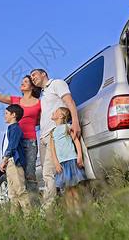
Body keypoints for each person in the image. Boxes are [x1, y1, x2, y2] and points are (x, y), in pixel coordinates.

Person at [0, 64, 41, 195]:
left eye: (26, 81)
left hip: (29, 142)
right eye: (22, 81)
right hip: (15, 143)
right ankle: (19, 208)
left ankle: (34, 210)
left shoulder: (40, 103)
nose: (22, 83)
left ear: (33, 87)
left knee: (30, 176)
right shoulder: (15, 100)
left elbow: (40, 121)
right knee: (16, 175)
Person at [30, 68, 81, 207]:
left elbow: (69, 102)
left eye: (34, 74)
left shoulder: (56, 83)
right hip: (43, 136)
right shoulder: (44, 95)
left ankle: (47, 210)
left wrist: (75, 122)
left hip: (54, 134)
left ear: (43, 74)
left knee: (48, 174)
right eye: (31, 76)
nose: (32, 78)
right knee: (50, 175)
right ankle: (57, 207)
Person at [50, 107, 86, 212]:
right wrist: (56, 163)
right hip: (61, 164)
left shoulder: (68, 127)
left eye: (56, 111)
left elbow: (76, 141)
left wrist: (79, 155)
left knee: (74, 189)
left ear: (61, 116)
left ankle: (78, 211)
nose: (53, 112)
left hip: (71, 161)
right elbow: (53, 150)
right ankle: (71, 213)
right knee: (67, 190)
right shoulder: (52, 132)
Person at [0, 104, 30, 214]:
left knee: (20, 191)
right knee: (12, 194)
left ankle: (29, 217)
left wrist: (4, 160)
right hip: (10, 163)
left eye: (6, 113)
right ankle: (15, 219)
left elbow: (12, 146)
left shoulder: (16, 129)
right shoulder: (10, 129)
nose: (4, 116)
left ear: (13, 115)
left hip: (15, 163)